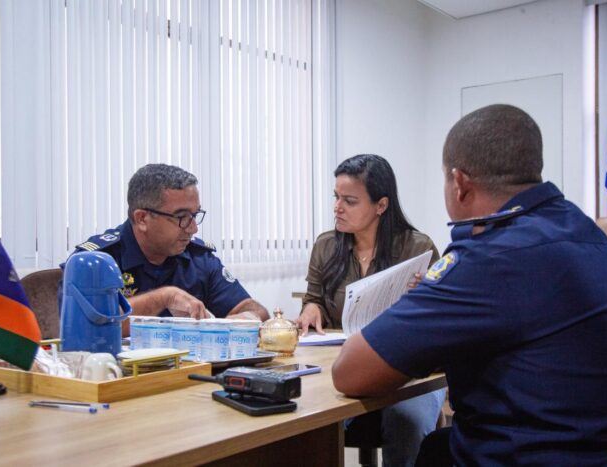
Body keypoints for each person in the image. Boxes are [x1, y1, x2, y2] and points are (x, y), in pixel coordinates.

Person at [332, 105, 607, 466]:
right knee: (436, 448)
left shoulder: (493, 255)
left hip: (543, 456)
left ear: (459, 183)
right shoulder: (582, 229)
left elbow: (349, 372)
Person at [298, 154, 447, 467]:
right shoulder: (326, 246)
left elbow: (439, 319)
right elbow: (314, 299)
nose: (338, 208)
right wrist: (311, 308)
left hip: (407, 367)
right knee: (302, 419)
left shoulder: (417, 248)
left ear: (381, 205)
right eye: (336, 197)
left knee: (407, 423)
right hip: (344, 364)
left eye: (350, 201)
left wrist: (425, 295)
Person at [70, 164, 269, 332]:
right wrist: (165, 298)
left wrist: (241, 320)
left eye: (195, 215)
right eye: (182, 217)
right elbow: (88, 326)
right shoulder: (95, 262)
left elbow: (256, 311)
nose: (193, 228)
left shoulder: (198, 258)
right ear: (142, 219)